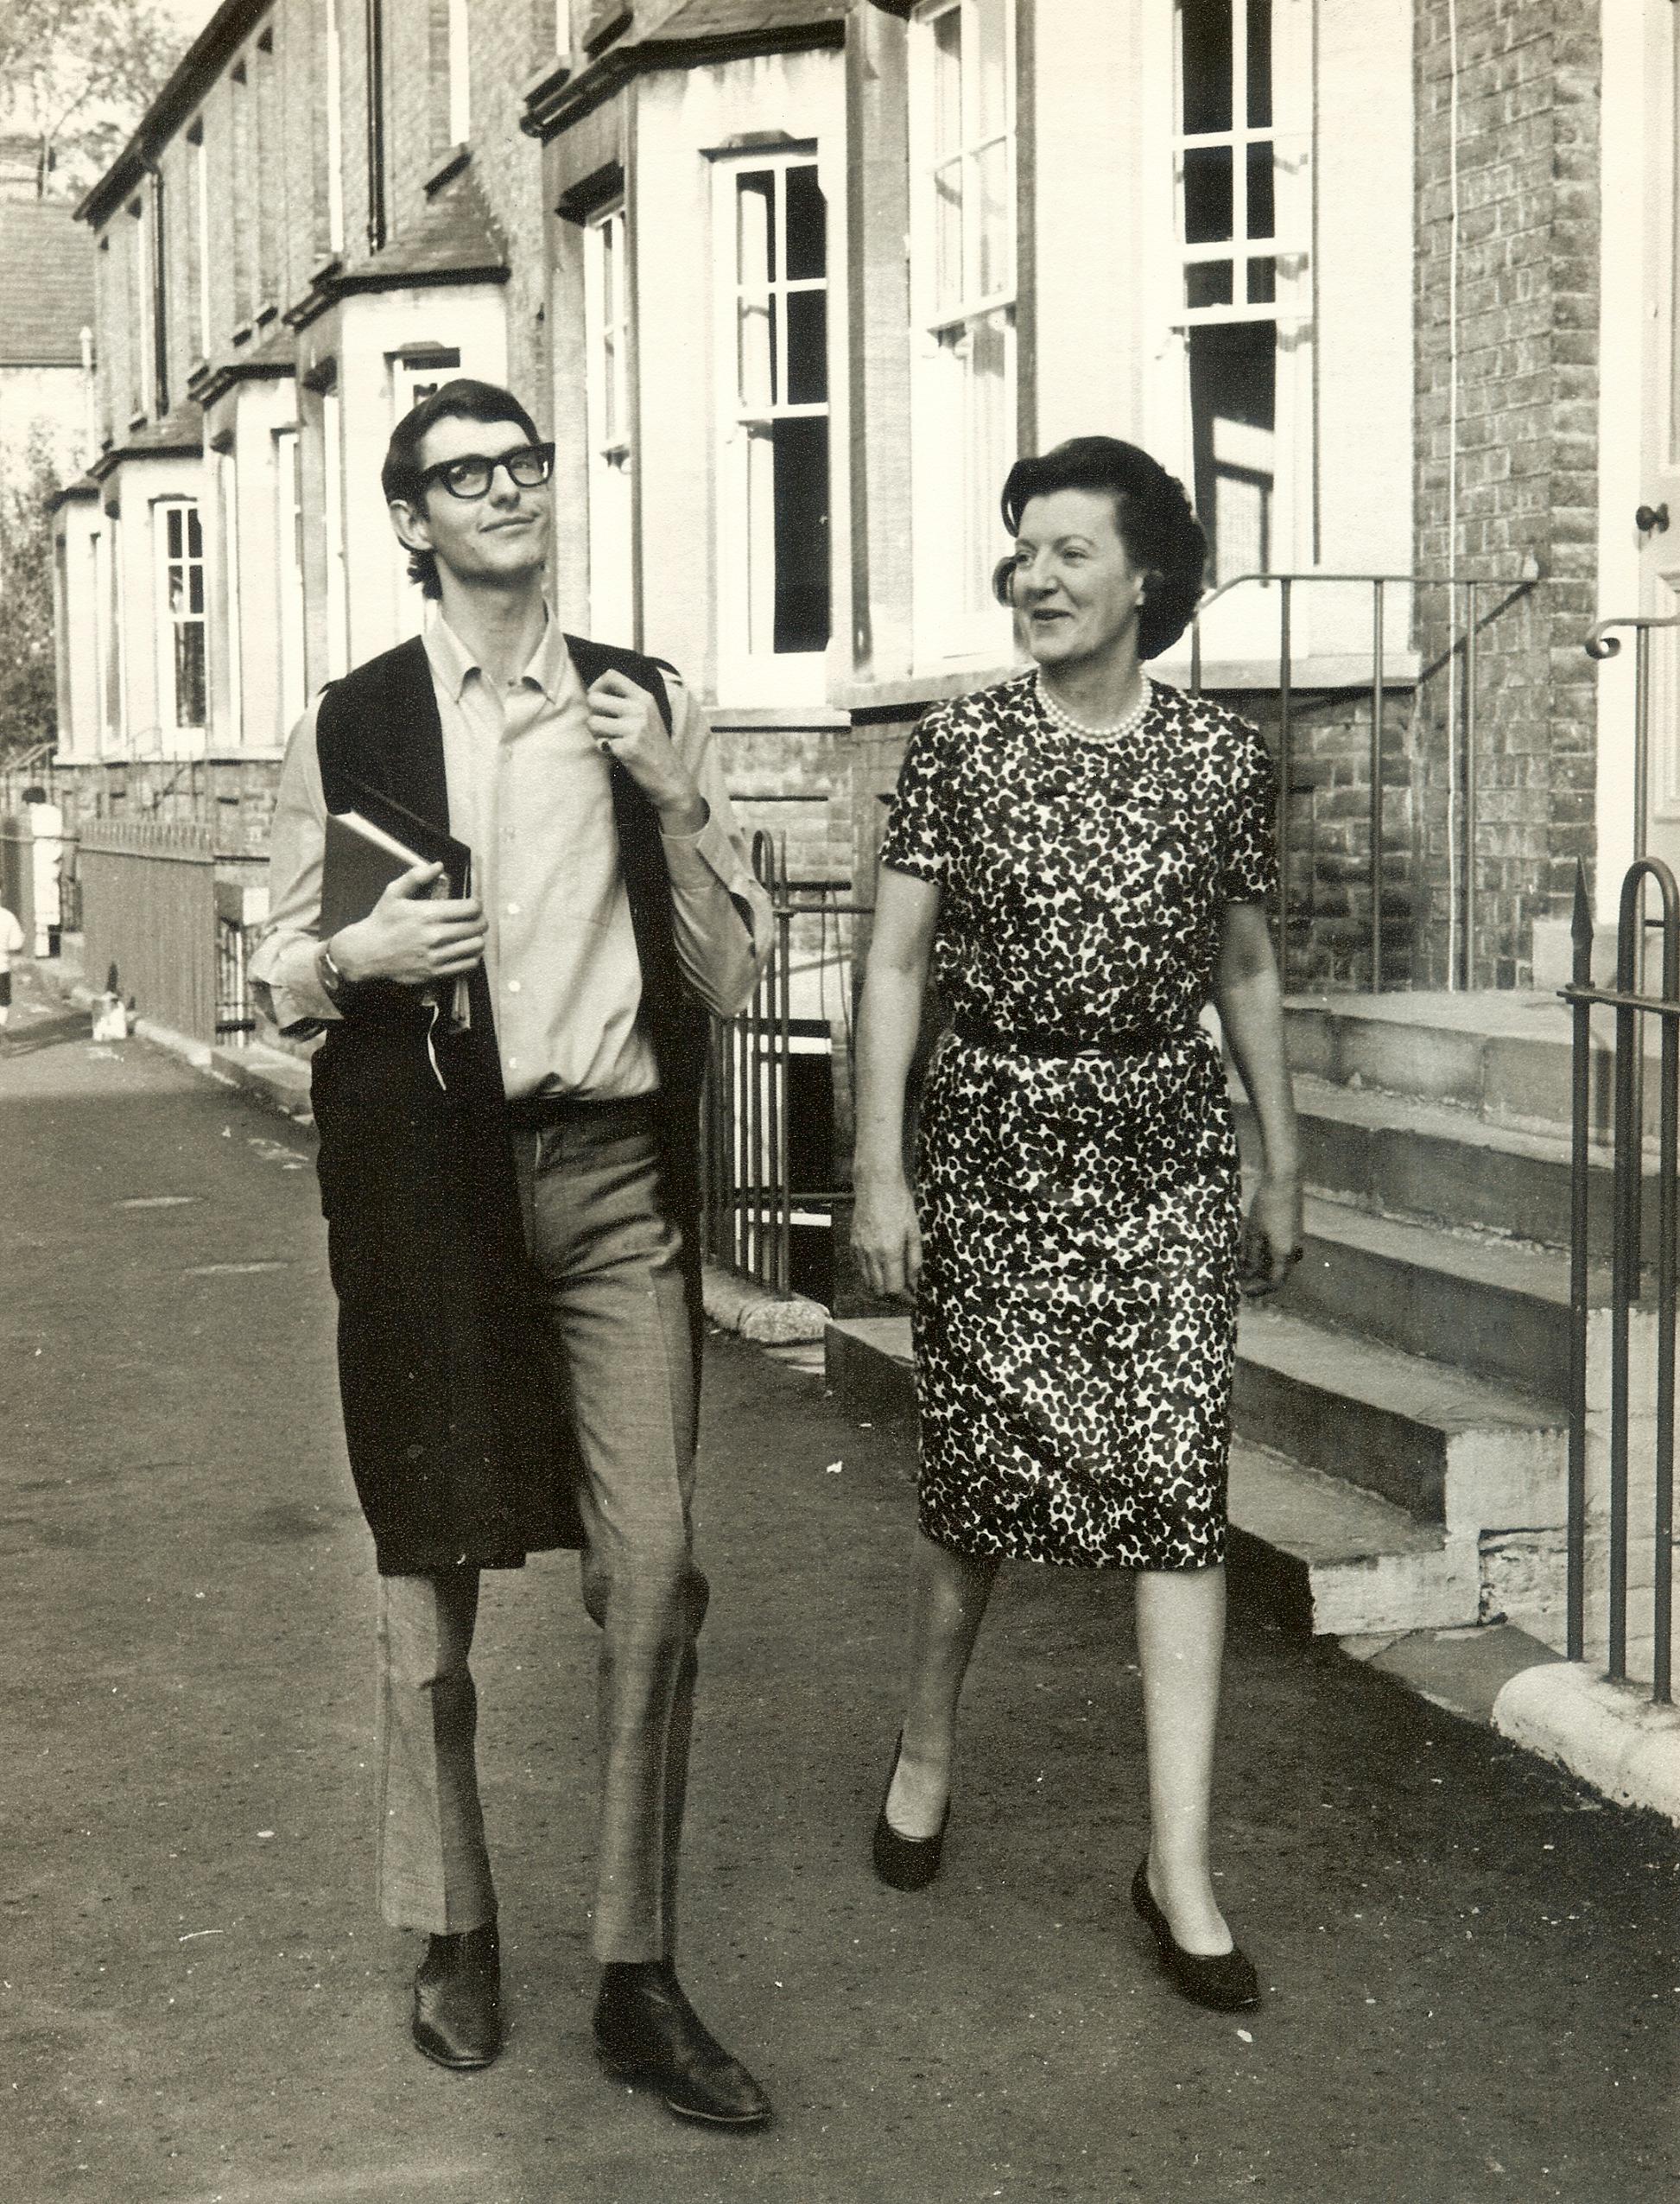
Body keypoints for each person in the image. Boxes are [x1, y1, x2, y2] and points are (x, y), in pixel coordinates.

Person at [250, 378, 775, 2126]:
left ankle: (636, 1968)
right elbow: (272, 968)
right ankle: (454, 1922)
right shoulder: (358, 722)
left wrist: (678, 802)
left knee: (658, 1566)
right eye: (464, 475)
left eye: (525, 465)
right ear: (413, 519)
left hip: (611, 1180)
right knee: (428, 1557)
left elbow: (729, 976)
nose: (504, 493)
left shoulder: (641, 701)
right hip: (431, 1186)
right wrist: (359, 952)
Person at [850, 435, 1301, 2013]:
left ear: (1147, 580)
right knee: (981, 1488)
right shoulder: (963, 751)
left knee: (1180, 1489)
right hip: (993, 1152)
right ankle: (925, 1740)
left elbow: (1242, 969)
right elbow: (896, 966)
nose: (1034, 578)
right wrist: (880, 1170)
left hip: (1162, 1154)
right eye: (1021, 551)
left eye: (1068, 552)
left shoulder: (1222, 761)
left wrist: (1280, 1155)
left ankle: (1179, 1865)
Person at [0, 899, 23, 1039]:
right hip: (2, 968)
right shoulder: (8, 916)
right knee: (2, 1003)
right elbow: (16, 944)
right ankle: (1, 1027)